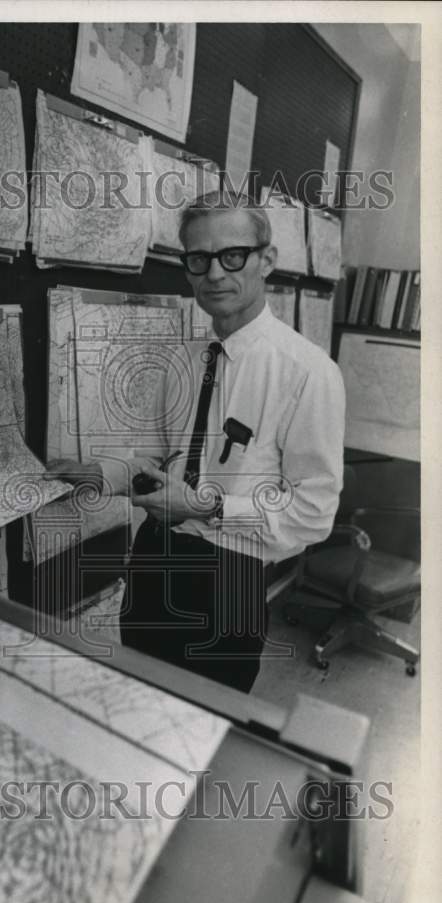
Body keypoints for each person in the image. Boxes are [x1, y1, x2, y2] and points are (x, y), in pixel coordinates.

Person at [44, 191, 346, 692]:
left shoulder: (309, 373)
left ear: (266, 260)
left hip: (228, 578)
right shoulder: (184, 358)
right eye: (199, 259)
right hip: (152, 561)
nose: (214, 273)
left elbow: (313, 511)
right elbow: (159, 455)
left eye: (233, 256)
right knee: (139, 704)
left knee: (204, 731)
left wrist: (207, 507)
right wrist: (106, 474)